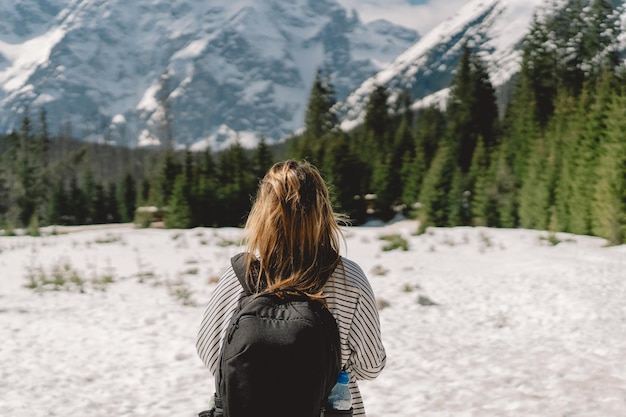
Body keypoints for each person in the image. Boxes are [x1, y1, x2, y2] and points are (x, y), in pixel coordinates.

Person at [196, 159, 386, 416]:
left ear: (262, 212)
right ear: (322, 211)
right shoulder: (347, 277)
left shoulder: (241, 274)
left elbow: (209, 352)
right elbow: (370, 366)